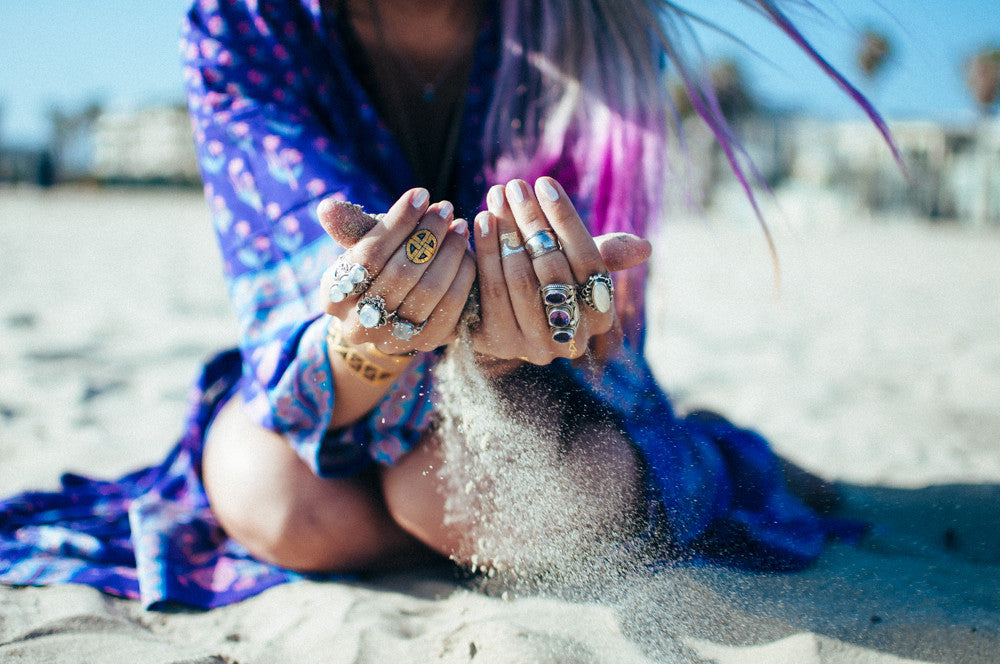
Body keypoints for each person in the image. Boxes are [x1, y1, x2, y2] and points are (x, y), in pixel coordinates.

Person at [0, 0, 889, 609]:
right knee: (272, 497)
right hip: (335, 378)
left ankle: (711, 457)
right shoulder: (243, 20)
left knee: (450, 498)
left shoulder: (595, 25)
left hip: (546, 387)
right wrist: (371, 342)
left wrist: (511, 343)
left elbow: (595, 314)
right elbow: (290, 299)